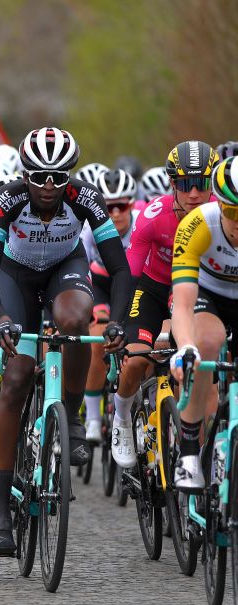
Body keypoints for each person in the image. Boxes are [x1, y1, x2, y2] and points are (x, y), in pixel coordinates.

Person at [0, 127, 129, 557]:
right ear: (25, 174)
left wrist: (116, 322)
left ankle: (73, 416)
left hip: (64, 270)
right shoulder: (9, 200)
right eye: (39, 176)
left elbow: (119, 270)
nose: (48, 186)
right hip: (13, 278)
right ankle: (0, 507)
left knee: (75, 319)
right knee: (18, 375)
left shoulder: (85, 199)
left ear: (69, 177)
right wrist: (1, 316)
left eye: (58, 177)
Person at [110, 141, 219, 468]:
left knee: (198, 372)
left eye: (203, 184)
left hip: (198, 292)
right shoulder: (152, 218)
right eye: (186, 185)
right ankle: (123, 417)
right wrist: (116, 320)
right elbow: (128, 274)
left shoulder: (220, 216)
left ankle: (200, 458)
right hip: (154, 289)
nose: (195, 193)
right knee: (136, 360)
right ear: (173, 185)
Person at [167, 156, 238, 491]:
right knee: (208, 342)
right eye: (233, 212)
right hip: (208, 294)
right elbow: (181, 303)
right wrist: (186, 348)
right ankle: (190, 449)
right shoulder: (197, 224)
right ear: (219, 204)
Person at [80, 169, 137, 444]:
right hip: (102, 286)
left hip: (135, 287)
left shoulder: (141, 227)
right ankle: (92, 418)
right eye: (108, 207)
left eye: (121, 206)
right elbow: (81, 270)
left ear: (132, 205)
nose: (114, 213)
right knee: (96, 340)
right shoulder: (91, 230)